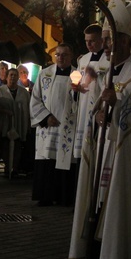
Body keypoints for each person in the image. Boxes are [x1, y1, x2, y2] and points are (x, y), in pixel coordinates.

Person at [69, 0, 131, 259]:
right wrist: (99, 111)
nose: (106, 45)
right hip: (103, 148)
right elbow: (92, 109)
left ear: (125, 40)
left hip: (122, 154)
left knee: (116, 205)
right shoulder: (104, 71)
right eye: (104, 39)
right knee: (98, 206)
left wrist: (116, 104)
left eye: (111, 39)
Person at [30, 44, 79, 205]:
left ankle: (64, 197)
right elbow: (35, 99)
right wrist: (45, 117)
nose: (60, 58)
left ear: (71, 56)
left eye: (64, 55)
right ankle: (45, 197)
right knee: (46, 161)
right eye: (57, 55)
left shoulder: (77, 75)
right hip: (48, 127)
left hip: (68, 127)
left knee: (65, 161)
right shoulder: (45, 74)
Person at [73, 24, 110, 178]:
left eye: (93, 41)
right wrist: (75, 88)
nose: (89, 44)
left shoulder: (108, 59)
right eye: (87, 41)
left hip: (99, 108)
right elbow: (79, 80)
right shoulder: (83, 59)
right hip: (83, 109)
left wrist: (97, 78)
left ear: (101, 41)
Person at [0, 68, 30, 178]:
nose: (13, 77)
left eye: (15, 75)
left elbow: (28, 107)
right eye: (11, 75)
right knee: (5, 145)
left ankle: (15, 167)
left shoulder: (24, 92)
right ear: (7, 77)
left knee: (18, 145)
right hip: (5, 122)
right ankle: (7, 166)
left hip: (19, 122)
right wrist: (4, 111)